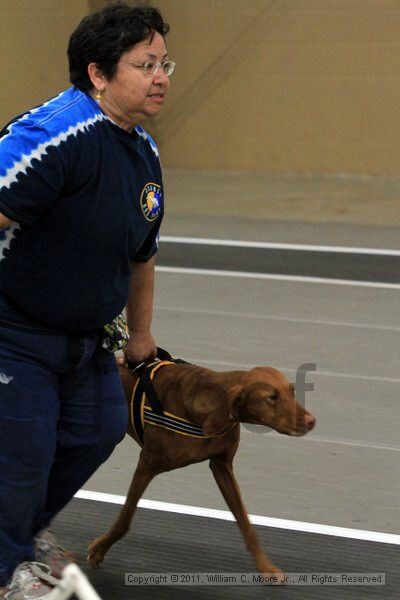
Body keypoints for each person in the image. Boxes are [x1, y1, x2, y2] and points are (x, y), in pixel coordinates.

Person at [0, 3, 174, 597]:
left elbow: (141, 255)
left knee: (97, 429)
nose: (161, 76)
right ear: (98, 74)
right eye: (145, 64)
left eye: (164, 63)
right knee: (21, 457)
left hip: (88, 339)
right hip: (14, 331)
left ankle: (19, 533)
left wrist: (142, 339)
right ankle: (6, 570)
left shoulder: (142, 152)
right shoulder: (52, 134)